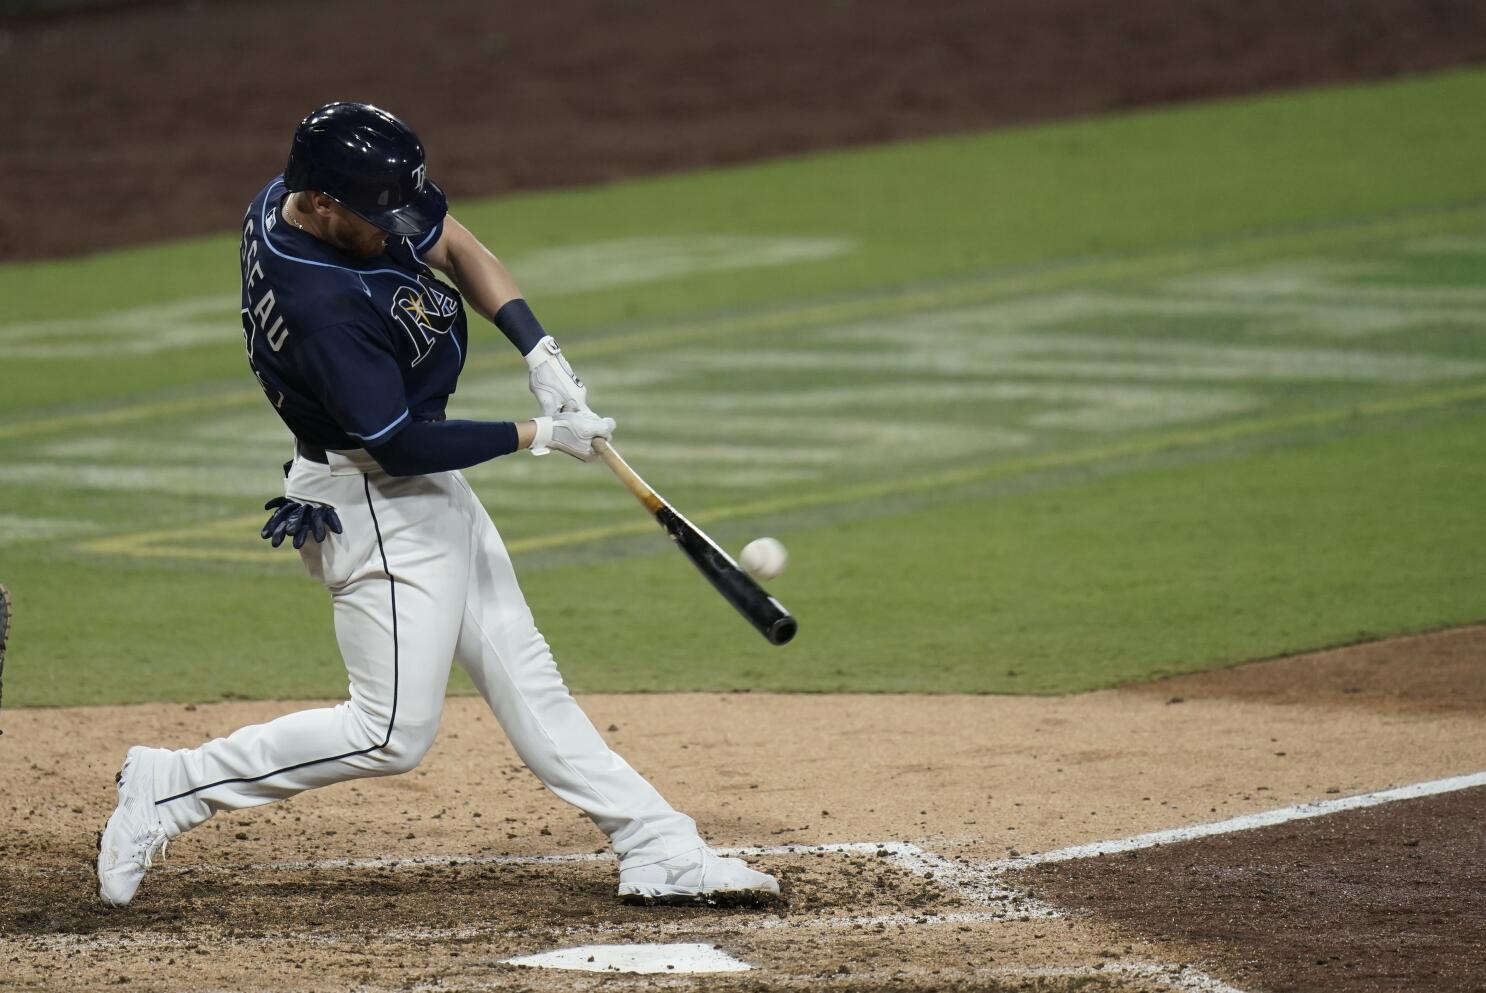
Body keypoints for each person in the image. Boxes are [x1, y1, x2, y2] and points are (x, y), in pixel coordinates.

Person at [95, 102, 779, 909]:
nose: (395, 232)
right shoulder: (321, 305)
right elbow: (399, 445)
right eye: (375, 219)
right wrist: (538, 434)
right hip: (374, 500)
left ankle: (657, 843)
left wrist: (538, 346)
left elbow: (452, 241)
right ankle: (173, 782)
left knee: (528, 677)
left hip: (413, 489)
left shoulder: (306, 197)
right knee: (388, 733)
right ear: (318, 204)